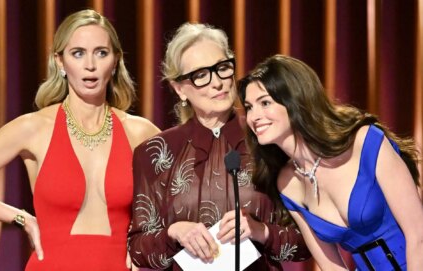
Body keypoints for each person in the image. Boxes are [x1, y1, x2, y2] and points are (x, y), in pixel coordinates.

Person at [0, 9, 159, 271]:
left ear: (115, 61)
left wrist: (148, 238)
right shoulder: (34, 127)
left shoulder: (141, 133)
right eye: (78, 53)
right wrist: (21, 218)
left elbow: (181, 204)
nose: (90, 65)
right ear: (60, 61)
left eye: (101, 53)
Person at [127, 23, 310, 271]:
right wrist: (174, 233)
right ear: (179, 88)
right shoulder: (155, 152)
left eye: (222, 68)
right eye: (201, 75)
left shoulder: (267, 139)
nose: (218, 83)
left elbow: (306, 242)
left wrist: (261, 231)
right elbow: (138, 250)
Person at [238, 54, 423, 270]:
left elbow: (418, 234)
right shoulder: (286, 182)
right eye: (249, 107)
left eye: (265, 103)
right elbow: (332, 267)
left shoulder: (364, 141)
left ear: (295, 100)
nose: (254, 116)